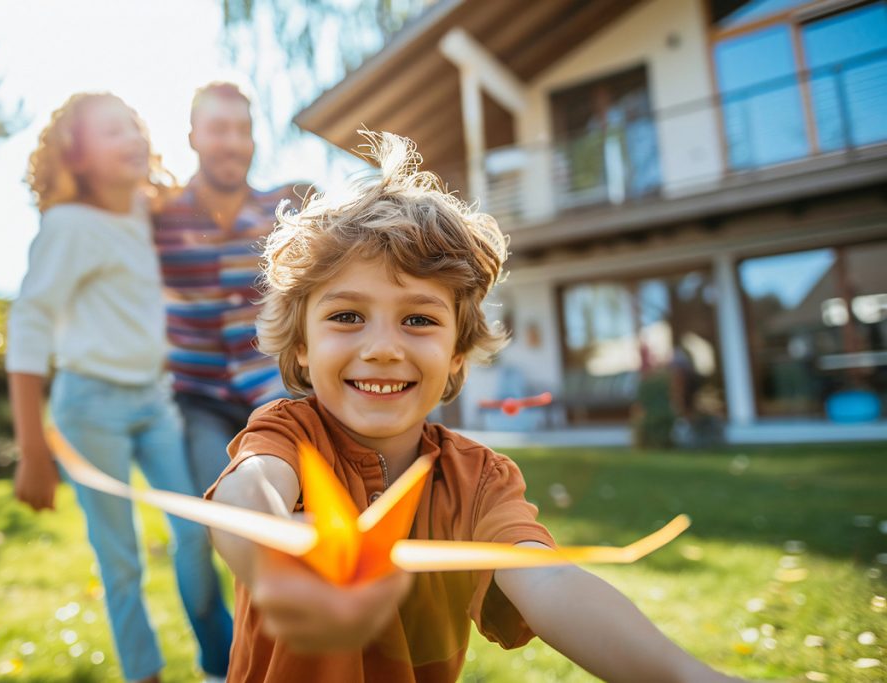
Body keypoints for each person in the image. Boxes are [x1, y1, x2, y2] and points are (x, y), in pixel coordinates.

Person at [206, 133, 744, 682]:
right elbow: (249, 491)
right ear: (301, 344)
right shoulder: (289, 434)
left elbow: (549, 582)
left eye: (419, 319)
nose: (383, 348)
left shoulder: (479, 481)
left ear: (458, 354)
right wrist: (277, 565)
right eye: (347, 316)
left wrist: (685, 677)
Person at [6, 93, 229, 683]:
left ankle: (221, 666)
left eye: (134, 125)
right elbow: (27, 327)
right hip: (89, 405)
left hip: (155, 401)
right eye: (111, 131)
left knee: (195, 531)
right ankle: (144, 674)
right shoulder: (67, 226)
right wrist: (32, 450)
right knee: (120, 559)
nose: (131, 137)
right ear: (76, 156)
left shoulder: (143, 208)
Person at [152, 81, 304, 498]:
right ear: (192, 137)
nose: (234, 143)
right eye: (219, 129)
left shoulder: (285, 211)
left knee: (294, 505)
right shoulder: (160, 213)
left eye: (243, 129)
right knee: (223, 506)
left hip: (277, 387)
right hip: (198, 397)